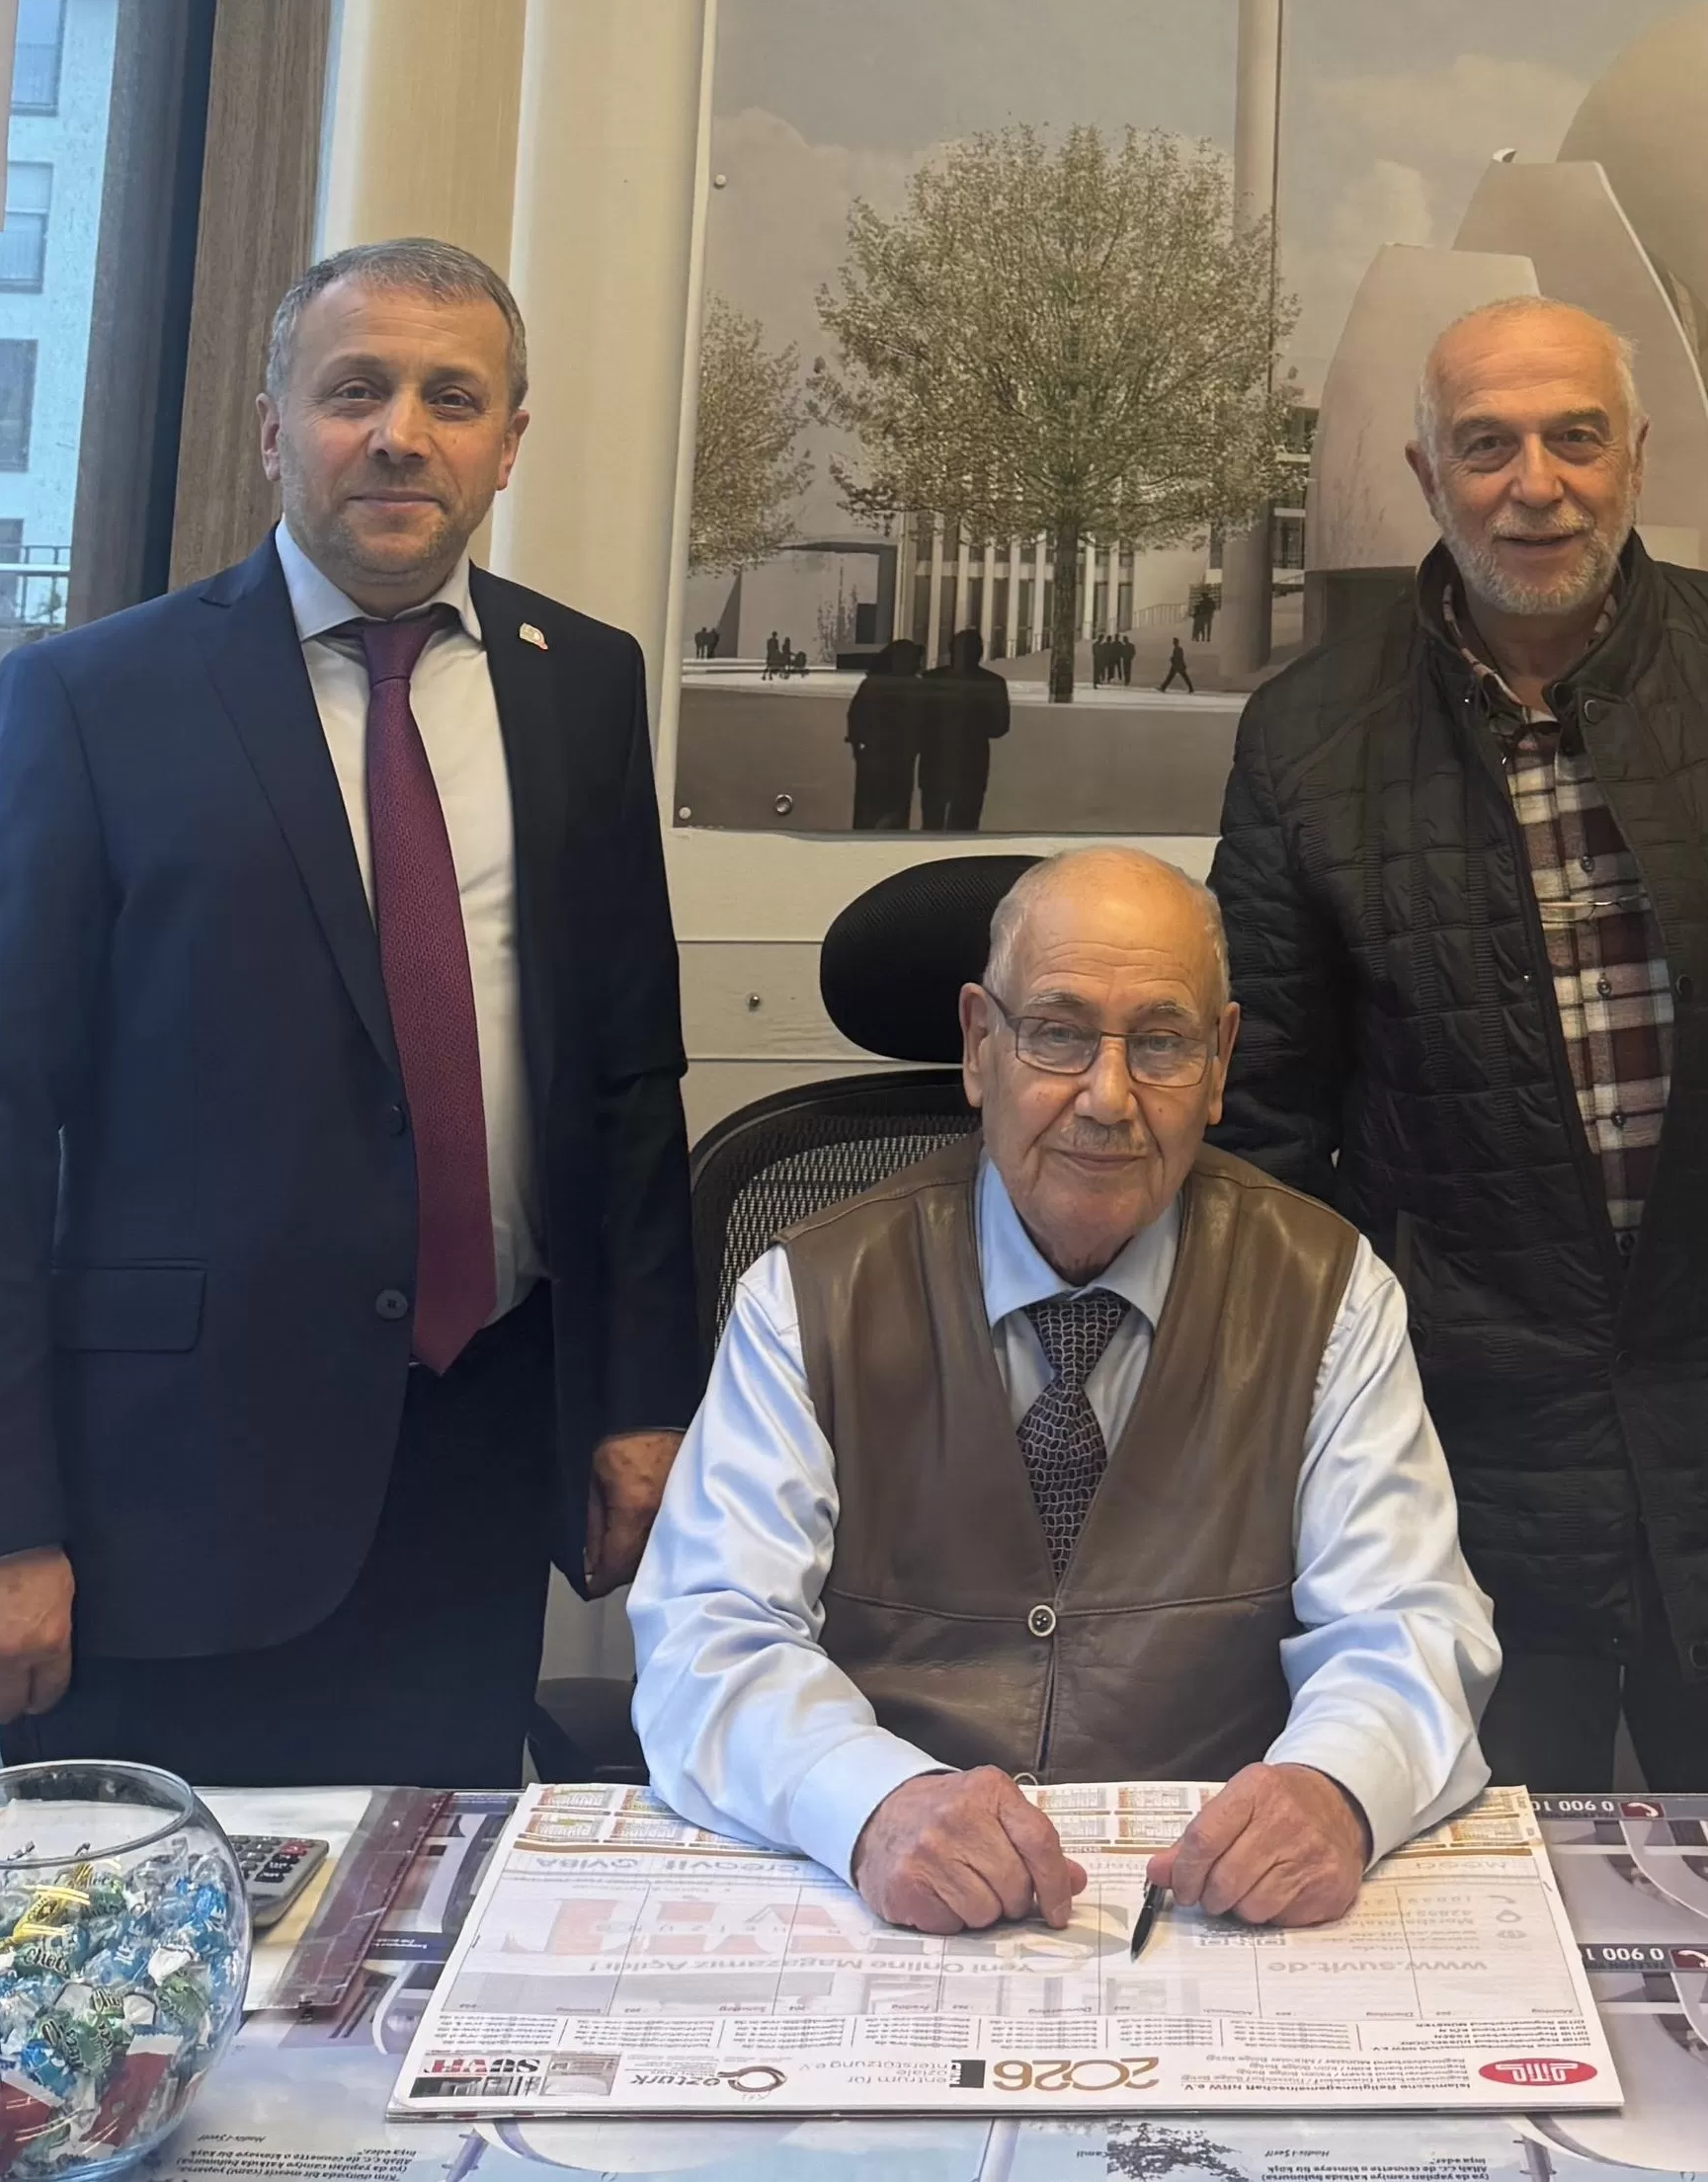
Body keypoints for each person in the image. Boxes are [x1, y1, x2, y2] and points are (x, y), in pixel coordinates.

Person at [0, 237, 700, 1782]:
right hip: (169, 1503)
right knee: (158, 1924)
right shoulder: (90, 701)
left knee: (423, 1909)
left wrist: (643, 1402)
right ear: (273, 429)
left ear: (508, 444)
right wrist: (1, 1517)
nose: (400, 435)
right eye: (354, 391)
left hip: (474, 1459)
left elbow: (630, 1080)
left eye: (453, 398)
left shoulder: (582, 684)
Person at [1208, 297, 1708, 1793]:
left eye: (1574, 438)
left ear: (1636, 458)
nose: (1533, 485)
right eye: (1486, 446)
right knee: (1465, 1918)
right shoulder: (1306, 742)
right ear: (1425, 475)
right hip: (1459, 1476)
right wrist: (1291, 1455)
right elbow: (1264, 1136)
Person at [630, 846, 1498, 1934]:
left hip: (1205, 1912)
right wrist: (872, 1804)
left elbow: (1406, 1620)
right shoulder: (808, 1294)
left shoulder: (1328, 1292)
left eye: (1162, 1043)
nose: (1108, 1097)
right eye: (1057, 1032)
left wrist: (1334, 1788)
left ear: (1220, 1063)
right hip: (888, 1906)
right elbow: (709, 1636)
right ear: (978, 1045)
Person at [918, 625, 1013, 831]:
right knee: (963, 822)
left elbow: (918, 720)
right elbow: (999, 726)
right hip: (969, 760)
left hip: (937, 758)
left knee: (933, 822)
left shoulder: (932, 679)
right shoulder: (992, 683)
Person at [845, 637, 928, 831]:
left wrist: (857, 747)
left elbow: (855, 717)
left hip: (882, 757)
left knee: (875, 811)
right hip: (891, 757)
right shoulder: (912, 687)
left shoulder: (873, 684)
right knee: (892, 810)